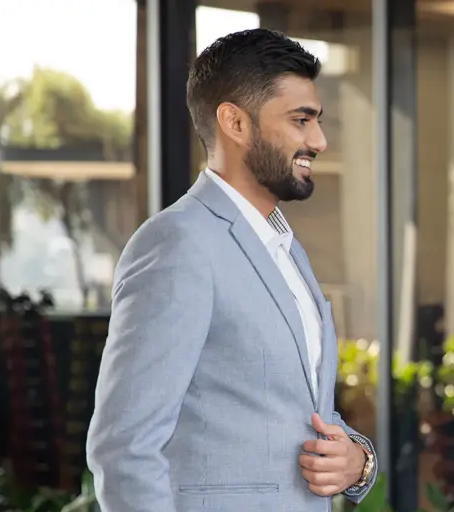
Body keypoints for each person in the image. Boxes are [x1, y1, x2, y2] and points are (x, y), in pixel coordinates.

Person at [86, 29, 376, 511]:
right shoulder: (179, 244)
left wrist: (356, 460)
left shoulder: (285, 247)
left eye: (317, 121)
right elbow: (124, 447)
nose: (320, 141)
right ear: (234, 123)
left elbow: (292, 411)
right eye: (301, 120)